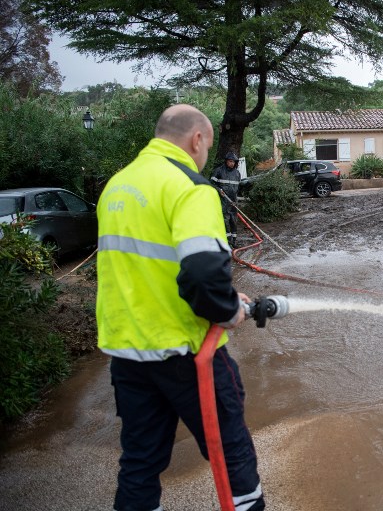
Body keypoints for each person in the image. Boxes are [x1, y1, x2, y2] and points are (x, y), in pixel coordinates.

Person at [96, 104, 265, 511]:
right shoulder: (189, 187)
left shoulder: (117, 186)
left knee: (139, 465)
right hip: (186, 353)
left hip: (128, 353)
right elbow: (204, 272)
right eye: (207, 147)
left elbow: (151, 269)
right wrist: (228, 312)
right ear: (197, 140)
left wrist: (224, 296)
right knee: (231, 455)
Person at [211, 151, 242, 247]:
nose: (232, 163)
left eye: (233, 162)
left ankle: (234, 240)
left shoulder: (237, 173)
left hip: (233, 201)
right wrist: (219, 190)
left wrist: (236, 200)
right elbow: (211, 184)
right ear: (226, 161)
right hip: (223, 200)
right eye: (230, 161)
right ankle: (227, 241)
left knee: (233, 220)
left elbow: (238, 188)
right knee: (225, 220)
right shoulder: (219, 171)